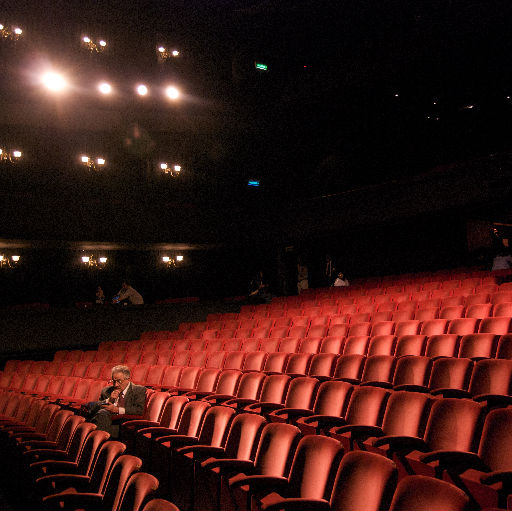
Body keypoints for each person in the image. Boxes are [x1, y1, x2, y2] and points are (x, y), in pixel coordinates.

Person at [88, 365, 146, 437]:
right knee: (98, 412)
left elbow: (139, 410)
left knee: (100, 415)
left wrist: (117, 410)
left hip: (123, 425)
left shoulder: (138, 390)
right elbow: (93, 408)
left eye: (119, 381)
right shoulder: (106, 391)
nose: (116, 385)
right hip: (105, 421)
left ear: (128, 379)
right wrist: (109, 400)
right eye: (113, 381)